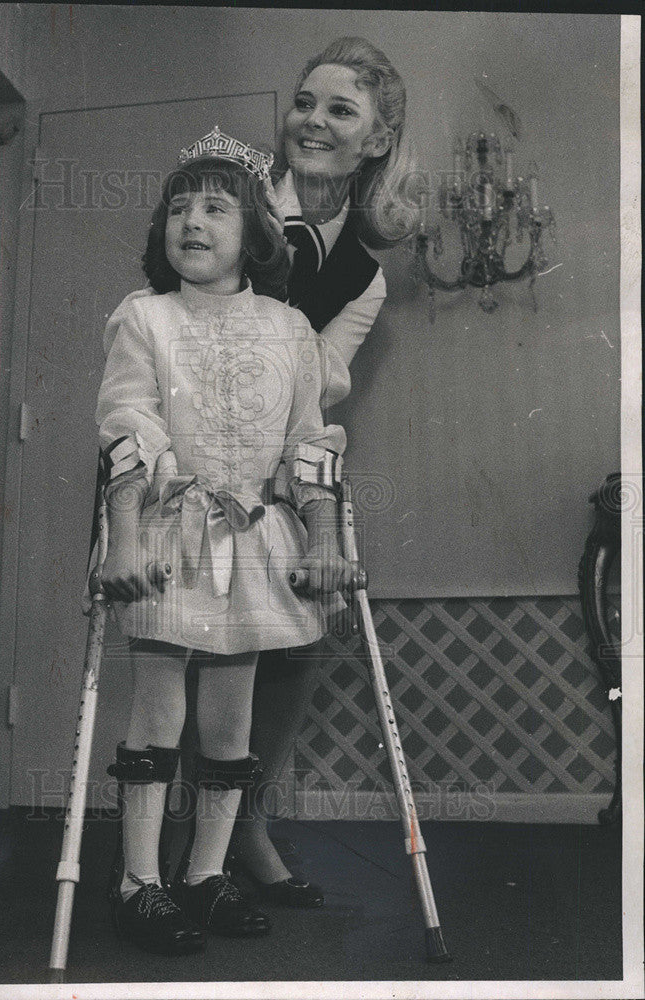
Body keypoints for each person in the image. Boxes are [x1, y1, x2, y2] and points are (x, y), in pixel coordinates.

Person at [96, 137, 351, 955]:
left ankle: (206, 873)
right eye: (178, 208)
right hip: (169, 537)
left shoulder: (290, 329)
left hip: (256, 545)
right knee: (160, 709)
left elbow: (307, 447)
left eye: (213, 208)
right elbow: (129, 429)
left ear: (255, 235)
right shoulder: (146, 316)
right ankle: (139, 879)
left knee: (229, 723)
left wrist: (322, 540)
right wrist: (126, 538)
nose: (191, 222)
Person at [185, 36, 417, 906]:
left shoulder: (365, 275)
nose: (312, 123)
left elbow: (318, 391)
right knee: (200, 639)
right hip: (192, 451)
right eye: (305, 103)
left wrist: (304, 479)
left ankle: (242, 823)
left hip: (285, 459)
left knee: (293, 637)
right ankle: (187, 845)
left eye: (339, 110)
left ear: (377, 140)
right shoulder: (232, 197)